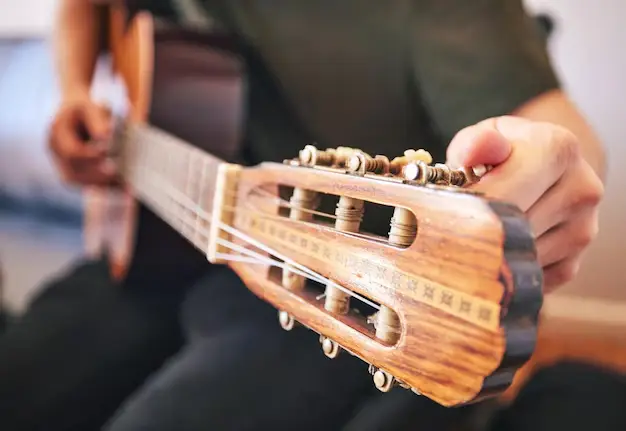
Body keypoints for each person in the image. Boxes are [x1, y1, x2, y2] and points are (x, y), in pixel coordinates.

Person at [0, 0, 610, 430]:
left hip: (331, 284)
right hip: (151, 240)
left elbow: (552, 130)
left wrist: (555, 173)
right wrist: (76, 93)